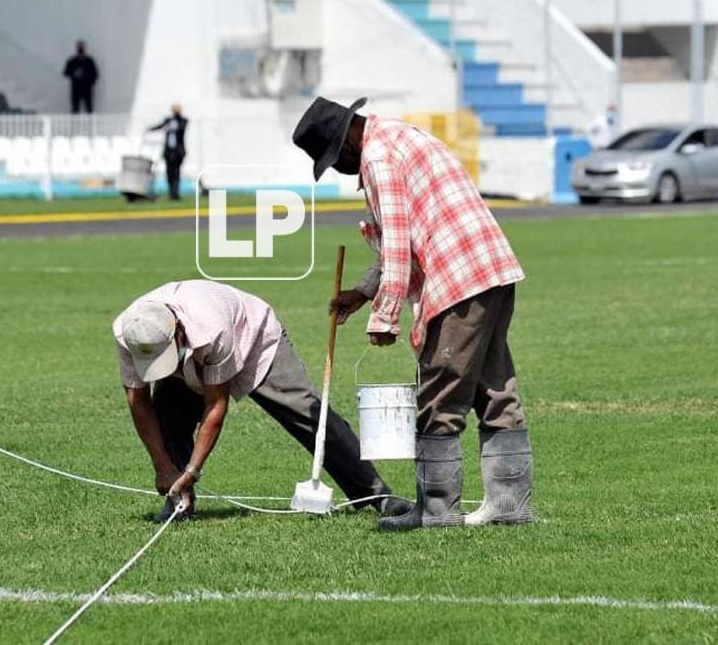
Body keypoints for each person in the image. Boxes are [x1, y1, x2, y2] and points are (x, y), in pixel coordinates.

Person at [293, 97, 534, 531]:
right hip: (489, 268)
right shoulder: (400, 136)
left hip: (458, 277)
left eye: (335, 160)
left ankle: (436, 511)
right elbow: (407, 230)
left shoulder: (376, 157)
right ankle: (509, 504)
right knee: (494, 388)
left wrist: (384, 316)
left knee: (439, 394)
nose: (342, 170)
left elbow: (398, 241)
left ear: (346, 141)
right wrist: (364, 292)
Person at [113, 279, 412, 523]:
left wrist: (192, 471)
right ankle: (179, 500)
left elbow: (215, 406)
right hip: (194, 347)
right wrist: (163, 466)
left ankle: (376, 494)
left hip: (253, 338)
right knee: (167, 411)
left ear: (177, 332)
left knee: (305, 410)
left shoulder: (211, 328)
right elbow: (138, 402)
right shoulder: (129, 332)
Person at [148, 104, 188, 200]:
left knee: (176, 172)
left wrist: (171, 126)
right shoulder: (168, 120)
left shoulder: (183, 120)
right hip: (168, 151)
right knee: (169, 172)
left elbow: (181, 127)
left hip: (178, 152)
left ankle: (175, 193)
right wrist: (150, 129)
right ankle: (171, 192)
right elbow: (160, 126)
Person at [63, 40, 99, 114]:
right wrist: (74, 74)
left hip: (87, 88)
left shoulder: (89, 61)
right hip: (76, 89)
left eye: (82, 47)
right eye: (79, 47)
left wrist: (88, 77)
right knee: (75, 109)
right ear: (77, 48)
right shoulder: (72, 61)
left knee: (89, 109)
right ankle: (75, 122)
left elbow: (95, 74)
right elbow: (66, 73)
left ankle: (90, 121)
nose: (80, 49)